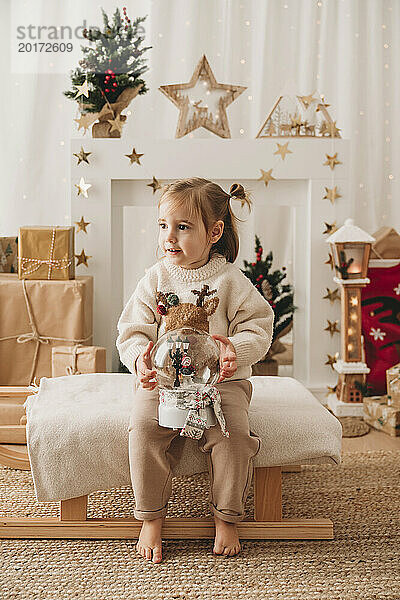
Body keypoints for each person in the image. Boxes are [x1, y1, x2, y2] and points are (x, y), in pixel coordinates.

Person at [116, 178, 274, 564]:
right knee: (144, 430)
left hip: (220, 386)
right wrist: (140, 361)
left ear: (214, 232)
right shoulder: (155, 279)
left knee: (234, 437)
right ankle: (151, 517)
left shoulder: (230, 281)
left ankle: (226, 517)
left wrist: (234, 350)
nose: (169, 237)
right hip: (165, 383)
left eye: (183, 227)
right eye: (163, 225)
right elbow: (131, 331)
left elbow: (259, 324)